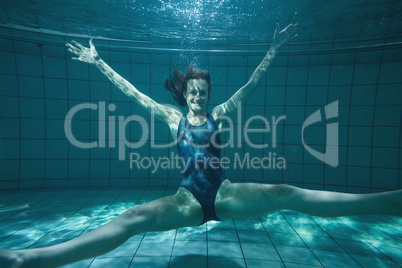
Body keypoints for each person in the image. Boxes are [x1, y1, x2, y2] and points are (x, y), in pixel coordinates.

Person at [1, 23, 401, 268]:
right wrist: (99, 62)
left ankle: (384, 202)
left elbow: (251, 86)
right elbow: (132, 92)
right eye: (193, 91)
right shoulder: (171, 116)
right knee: (135, 217)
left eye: (203, 92)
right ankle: (33, 259)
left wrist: (273, 50)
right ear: (185, 94)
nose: (197, 96)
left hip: (225, 194)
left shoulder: (220, 112)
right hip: (188, 199)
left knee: (283, 192)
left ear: (208, 94)